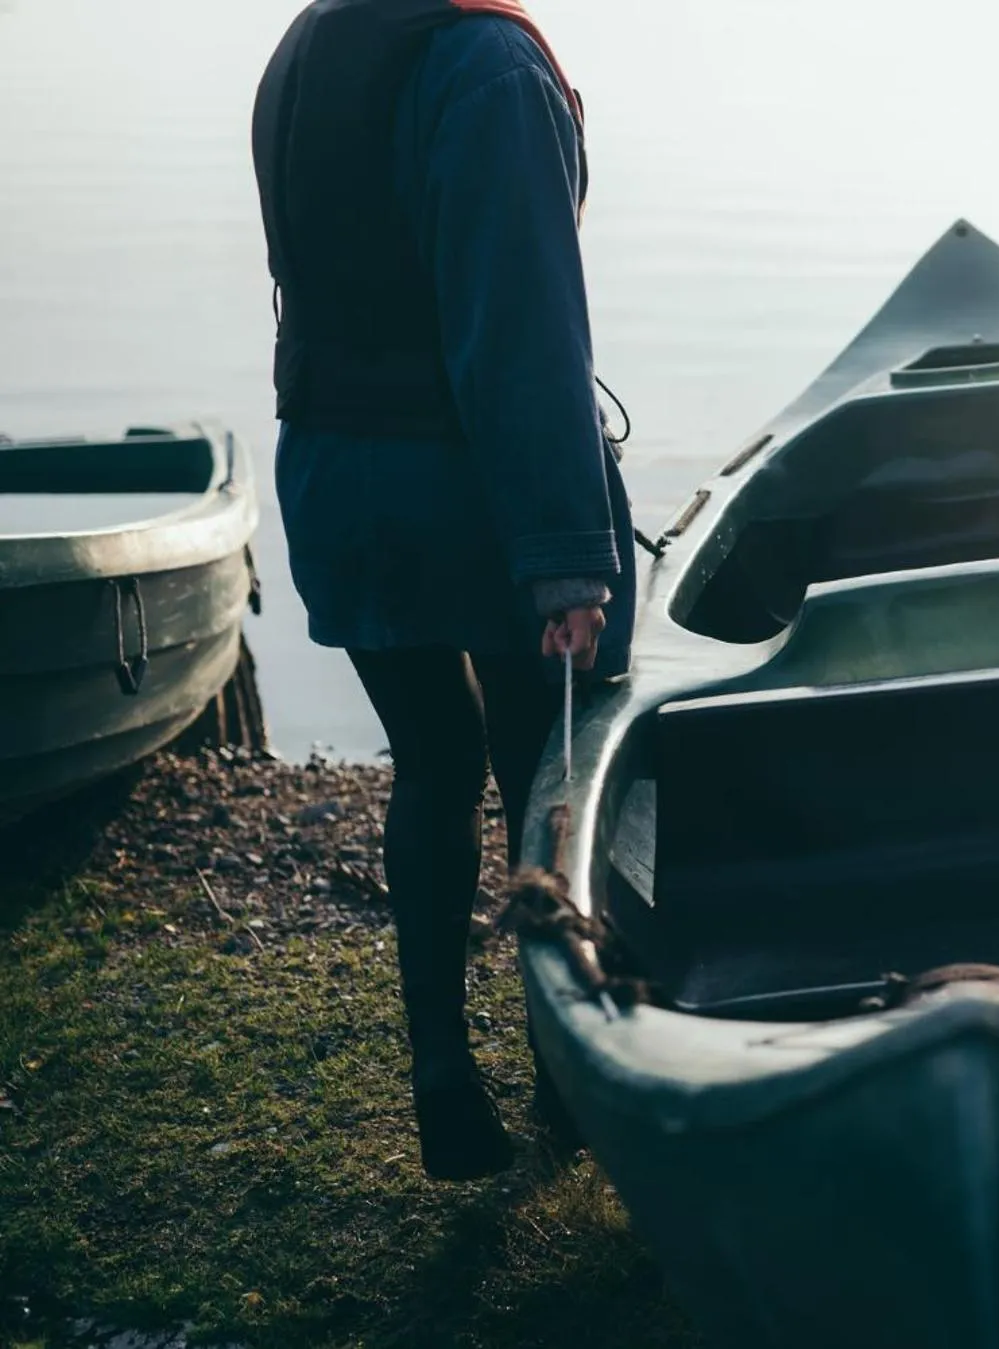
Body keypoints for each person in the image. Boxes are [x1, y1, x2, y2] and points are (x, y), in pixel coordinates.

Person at [252, 0, 634, 1180]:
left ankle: (441, 1078)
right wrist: (567, 552)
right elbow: (518, 328)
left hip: (334, 473)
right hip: (464, 486)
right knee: (539, 771)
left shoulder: (309, 45)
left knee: (430, 758)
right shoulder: (491, 65)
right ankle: (564, 1079)